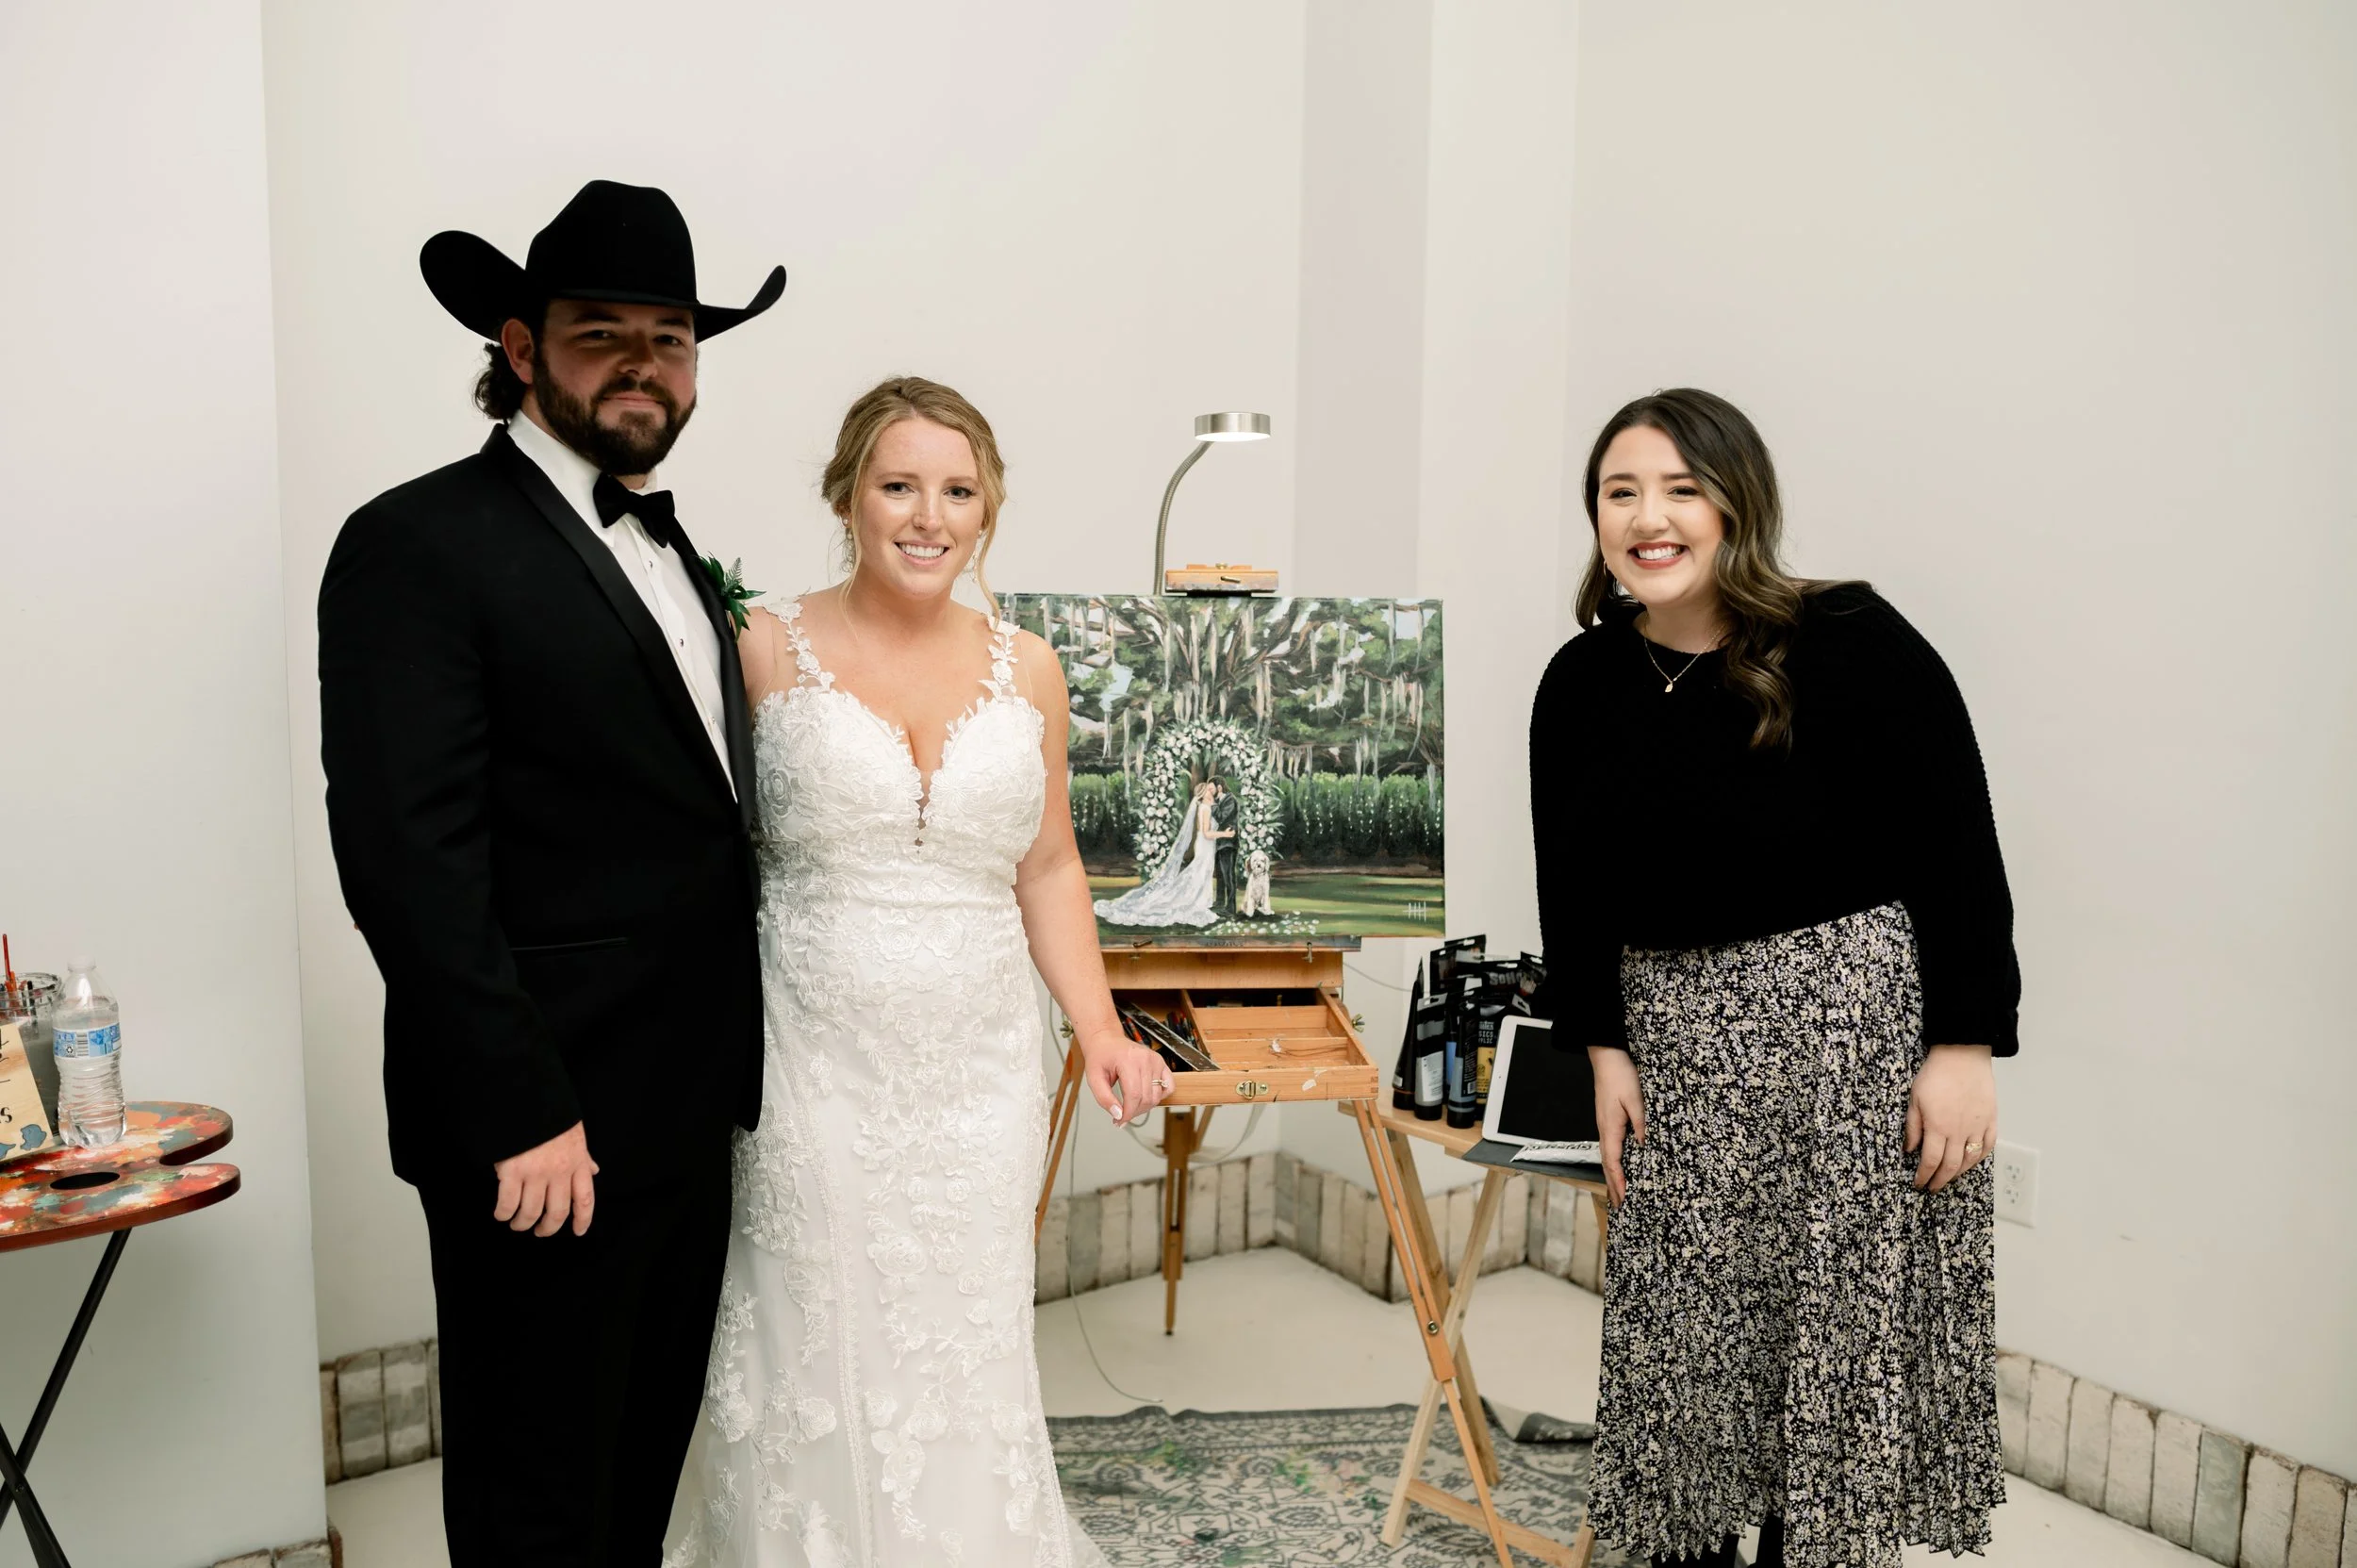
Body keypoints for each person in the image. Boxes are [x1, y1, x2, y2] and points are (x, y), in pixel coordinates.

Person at [318, 180, 786, 1565]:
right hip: (546, 1124)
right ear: (520, 348)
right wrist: (519, 1107)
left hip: (689, 1102)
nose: (645, 362)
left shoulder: (673, 550)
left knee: (637, 1467)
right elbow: (407, 857)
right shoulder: (415, 542)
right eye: (604, 332)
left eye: (673, 336)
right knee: (541, 1495)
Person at [668, 376, 1172, 1566]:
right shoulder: (757, 645)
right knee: (811, 1324)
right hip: (808, 1057)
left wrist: (1099, 1031)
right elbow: (691, 854)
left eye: (958, 490)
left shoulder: (1030, 668)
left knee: (964, 1327)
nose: (927, 515)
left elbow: (1046, 866)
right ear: (848, 496)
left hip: (980, 1066)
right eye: (899, 485)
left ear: (988, 509)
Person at [1527, 389, 2017, 1568]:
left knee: (1831, 1347)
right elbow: (1572, 886)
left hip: (1849, 1034)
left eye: (1681, 489)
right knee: (1686, 1348)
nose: (1650, 518)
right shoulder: (1580, 681)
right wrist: (1601, 1046)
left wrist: (1962, 1048)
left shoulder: (1846, 636)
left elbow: (1959, 842)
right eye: (1621, 491)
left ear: (1737, 503)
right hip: (1679, 1045)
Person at [1092, 780, 1223, 928]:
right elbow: (1206, 832)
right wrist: (1224, 834)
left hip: (1206, 845)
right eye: (1207, 790)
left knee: (1203, 872)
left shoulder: (1207, 806)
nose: (1210, 792)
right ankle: (1198, 901)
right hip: (1205, 844)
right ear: (1202, 794)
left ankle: (1203, 900)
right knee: (1200, 871)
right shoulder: (1205, 808)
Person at [1209, 779, 1242, 918]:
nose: (1210, 792)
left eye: (1211, 789)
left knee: (1228, 875)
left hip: (1228, 843)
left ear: (1220, 787)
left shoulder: (1230, 800)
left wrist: (1212, 805)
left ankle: (1231, 907)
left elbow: (1221, 818)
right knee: (1220, 875)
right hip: (1219, 843)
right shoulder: (1221, 800)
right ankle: (1220, 902)